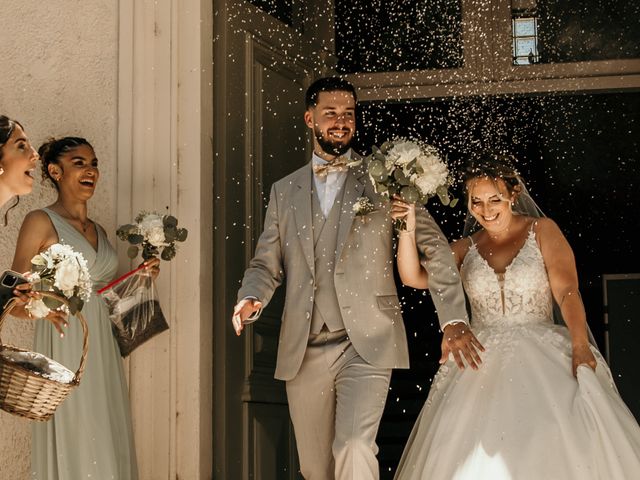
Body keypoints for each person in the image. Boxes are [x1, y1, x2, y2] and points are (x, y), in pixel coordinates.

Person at [231, 76, 472, 479]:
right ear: (310, 119)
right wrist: (250, 296)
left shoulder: (386, 177)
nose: (341, 121)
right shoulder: (284, 191)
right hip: (304, 347)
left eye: (349, 113)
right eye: (331, 113)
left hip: (366, 340)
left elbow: (438, 251)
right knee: (316, 468)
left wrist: (453, 317)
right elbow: (265, 263)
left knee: (355, 445)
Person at [391, 152, 640, 479]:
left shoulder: (542, 230)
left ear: (513, 195)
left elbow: (567, 292)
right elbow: (414, 277)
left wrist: (580, 344)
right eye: (476, 201)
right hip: (480, 362)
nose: (485, 210)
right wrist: (406, 228)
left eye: (494, 199)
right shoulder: (466, 247)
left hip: (543, 351)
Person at [11, 136, 160, 480]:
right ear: (54, 171)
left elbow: (109, 301)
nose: (91, 170)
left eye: (94, 163)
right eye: (79, 163)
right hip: (64, 348)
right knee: (77, 436)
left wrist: (142, 277)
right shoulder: (40, 221)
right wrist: (41, 308)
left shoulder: (101, 232)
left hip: (104, 353)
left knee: (108, 438)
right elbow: (12, 298)